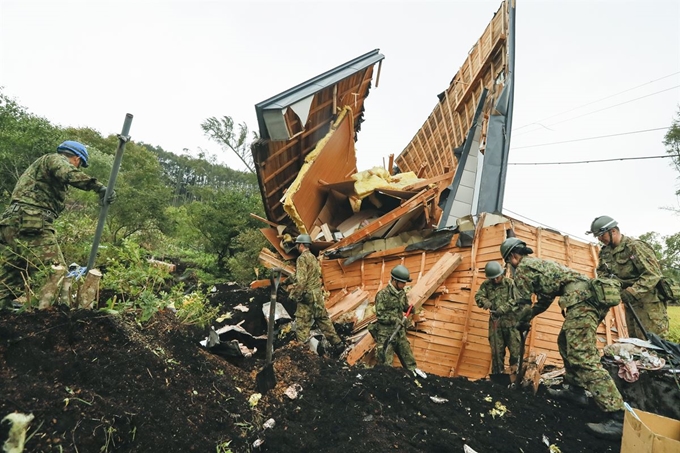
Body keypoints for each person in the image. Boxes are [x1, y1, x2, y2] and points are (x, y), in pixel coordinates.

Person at [501, 237, 625, 439]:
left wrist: (520, 320)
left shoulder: (524, 269)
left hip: (582, 301)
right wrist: (530, 316)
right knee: (565, 342)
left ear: (513, 257)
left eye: (509, 262)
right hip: (586, 298)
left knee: (582, 356)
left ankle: (617, 416)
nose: (511, 266)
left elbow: (522, 302)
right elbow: (544, 300)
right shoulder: (539, 267)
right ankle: (575, 390)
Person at [0, 141, 115, 309]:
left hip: (10, 225)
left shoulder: (42, 168)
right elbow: (67, 172)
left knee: (11, 275)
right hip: (30, 222)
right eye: (80, 165)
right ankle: (49, 320)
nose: (78, 168)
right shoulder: (55, 159)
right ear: (76, 159)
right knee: (55, 272)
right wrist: (98, 187)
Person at [587, 215, 669, 339]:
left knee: (654, 344)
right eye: (597, 236)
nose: (599, 238)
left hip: (649, 305)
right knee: (635, 343)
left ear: (613, 231)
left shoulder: (635, 247)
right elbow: (603, 274)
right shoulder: (605, 252)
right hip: (630, 304)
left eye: (601, 235)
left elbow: (652, 274)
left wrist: (632, 292)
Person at [288, 234, 344, 354]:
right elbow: (313, 275)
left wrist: (294, 295)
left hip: (307, 297)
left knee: (302, 324)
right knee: (323, 320)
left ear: (301, 245)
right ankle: (338, 344)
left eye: (297, 244)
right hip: (317, 295)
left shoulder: (301, 259)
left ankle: (302, 353)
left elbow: (301, 281)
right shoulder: (313, 258)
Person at [370, 264, 426, 378]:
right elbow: (380, 316)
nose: (404, 285)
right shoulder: (382, 295)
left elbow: (404, 306)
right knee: (386, 366)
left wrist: (410, 309)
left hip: (400, 333)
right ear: (394, 280)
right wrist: (394, 319)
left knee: (410, 362)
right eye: (402, 283)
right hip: (386, 335)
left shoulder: (401, 294)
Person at [475, 261, 521, 375]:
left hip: (511, 324)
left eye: (497, 277)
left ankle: (514, 378)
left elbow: (517, 300)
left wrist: (504, 308)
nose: (495, 280)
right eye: (493, 279)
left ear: (502, 274)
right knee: (497, 353)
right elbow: (478, 296)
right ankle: (497, 379)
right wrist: (485, 302)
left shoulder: (510, 284)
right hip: (496, 324)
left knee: (516, 353)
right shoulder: (486, 285)